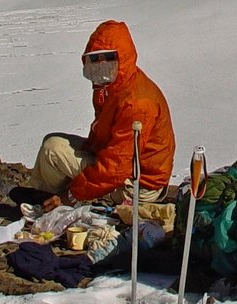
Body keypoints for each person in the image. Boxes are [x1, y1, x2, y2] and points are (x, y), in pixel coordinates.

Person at [29, 20, 175, 210]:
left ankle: (48, 206)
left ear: (122, 57)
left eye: (108, 57)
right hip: (123, 166)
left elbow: (117, 166)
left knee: (52, 151)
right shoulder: (115, 85)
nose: (101, 65)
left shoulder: (136, 103)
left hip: (138, 186)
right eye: (95, 59)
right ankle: (47, 200)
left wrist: (71, 195)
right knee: (53, 144)